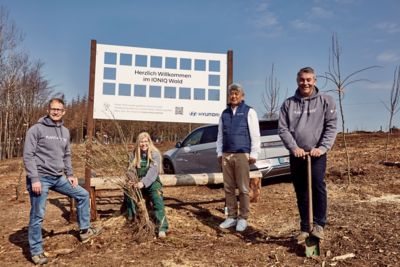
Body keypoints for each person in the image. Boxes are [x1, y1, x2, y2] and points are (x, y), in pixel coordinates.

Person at [23, 98, 102, 265]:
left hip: (58, 177)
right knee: (38, 214)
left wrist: (71, 174)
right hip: (40, 178)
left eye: (59, 109)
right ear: (48, 110)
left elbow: (66, 155)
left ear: (63, 112)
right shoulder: (36, 129)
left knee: (82, 194)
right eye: (53, 109)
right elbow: (28, 156)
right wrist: (34, 179)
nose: (55, 112)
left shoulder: (65, 132)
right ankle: (36, 251)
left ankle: (84, 230)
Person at [278, 67, 337, 244]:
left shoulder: (326, 101)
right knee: (301, 190)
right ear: (297, 81)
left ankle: (319, 225)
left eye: (309, 79)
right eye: (302, 79)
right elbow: (283, 129)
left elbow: (331, 126)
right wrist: (294, 147)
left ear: (315, 81)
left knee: (318, 186)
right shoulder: (288, 104)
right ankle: (305, 227)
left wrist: (323, 147)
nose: (305, 83)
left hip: (317, 154)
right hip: (298, 155)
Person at [216, 83, 261, 232]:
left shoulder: (249, 111)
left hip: (242, 153)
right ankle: (231, 217)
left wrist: (254, 153)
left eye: (236, 93)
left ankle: (243, 218)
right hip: (227, 154)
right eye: (231, 94)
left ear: (242, 96)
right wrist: (219, 152)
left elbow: (255, 134)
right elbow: (220, 135)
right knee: (228, 188)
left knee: (243, 188)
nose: (233, 96)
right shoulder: (224, 113)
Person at [125, 132, 169, 238]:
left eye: (146, 141)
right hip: (137, 182)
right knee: (128, 193)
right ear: (138, 143)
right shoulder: (134, 154)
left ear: (149, 142)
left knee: (157, 199)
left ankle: (162, 227)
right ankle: (132, 219)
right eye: (141, 142)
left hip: (152, 182)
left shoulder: (155, 153)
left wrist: (143, 183)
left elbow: (153, 171)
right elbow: (130, 169)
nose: (144, 144)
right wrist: (132, 180)